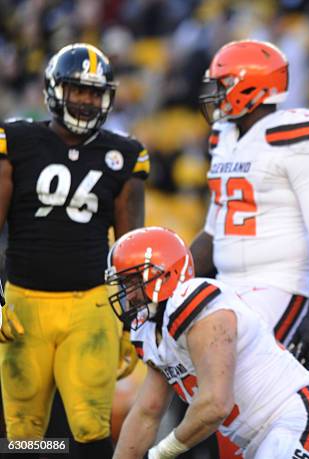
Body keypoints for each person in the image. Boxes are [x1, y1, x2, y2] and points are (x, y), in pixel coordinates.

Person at [0, 43, 148, 457]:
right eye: (76, 90)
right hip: (24, 304)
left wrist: (132, 322)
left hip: (91, 307)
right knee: (23, 431)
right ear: (53, 90)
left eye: (94, 93)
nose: (85, 100)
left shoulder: (124, 154)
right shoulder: (17, 140)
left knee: (89, 425)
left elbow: (130, 247)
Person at [106, 226, 309, 459]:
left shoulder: (193, 301)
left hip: (294, 423)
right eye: (124, 284)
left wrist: (160, 453)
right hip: (256, 442)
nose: (129, 295)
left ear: (165, 273)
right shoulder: (151, 332)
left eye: (133, 281)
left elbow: (216, 404)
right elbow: (147, 413)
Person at [192, 39, 309, 367]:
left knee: (244, 383)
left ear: (251, 86)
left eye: (224, 84)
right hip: (227, 285)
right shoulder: (224, 137)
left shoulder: (297, 133)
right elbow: (212, 231)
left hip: (280, 284)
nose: (216, 94)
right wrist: (173, 283)